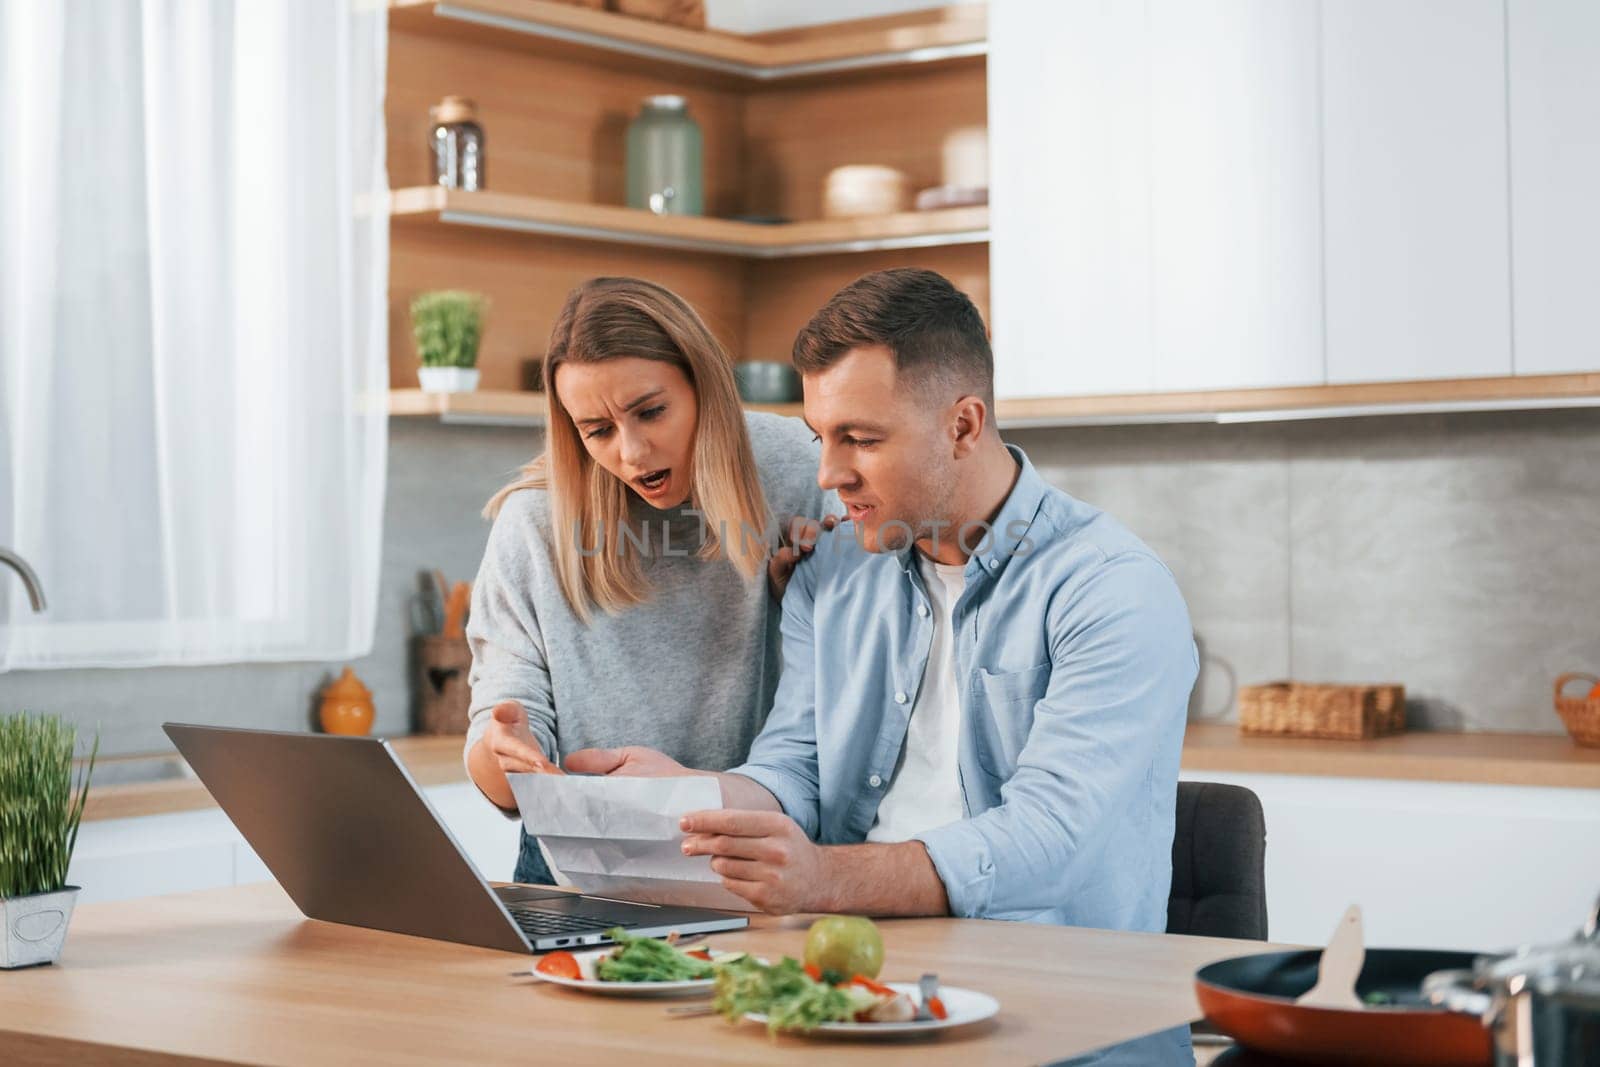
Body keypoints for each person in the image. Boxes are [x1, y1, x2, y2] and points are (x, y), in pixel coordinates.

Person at [567, 268, 1197, 932]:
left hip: (1056, 1002)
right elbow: (794, 774)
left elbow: (1048, 839)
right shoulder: (830, 573)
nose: (828, 475)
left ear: (962, 426)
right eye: (821, 438)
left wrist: (821, 879)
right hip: (858, 972)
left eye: (861, 440)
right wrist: (683, 796)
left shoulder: (1111, 588)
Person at [463, 276, 834, 885]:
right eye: (597, 430)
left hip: (755, 849)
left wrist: (819, 598)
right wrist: (507, 752)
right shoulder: (535, 522)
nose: (631, 453)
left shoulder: (802, 468)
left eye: (651, 412)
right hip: (582, 865)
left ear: (704, 385)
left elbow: (863, 684)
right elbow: (500, 770)